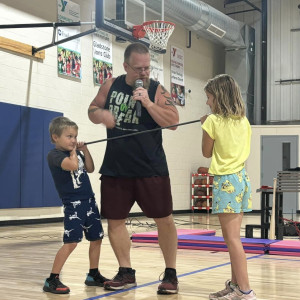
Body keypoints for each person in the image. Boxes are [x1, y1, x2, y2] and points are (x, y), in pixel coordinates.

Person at [88, 42, 179, 295]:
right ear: (126, 66)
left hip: (151, 167)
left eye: (147, 67)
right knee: (115, 221)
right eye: (138, 68)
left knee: (164, 220)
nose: (143, 73)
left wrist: (149, 104)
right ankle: (126, 271)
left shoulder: (157, 89)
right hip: (116, 167)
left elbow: (173, 122)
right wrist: (101, 116)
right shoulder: (110, 85)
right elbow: (92, 108)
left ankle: (170, 273)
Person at [200, 74, 256, 300]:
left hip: (225, 182)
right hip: (241, 179)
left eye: (209, 97)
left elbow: (206, 152)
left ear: (218, 98)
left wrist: (205, 126)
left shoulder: (212, 121)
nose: (207, 102)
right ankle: (235, 285)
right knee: (234, 238)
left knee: (232, 239)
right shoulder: (244, 121)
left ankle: (245, 290)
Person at [43, 116, 108, 294]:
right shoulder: (54, 155)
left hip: (89, 201)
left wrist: (84, 150)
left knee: (96, 238)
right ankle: (52, 279)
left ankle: (93, 274)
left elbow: (90, 168)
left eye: (75, 136)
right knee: (71, 242)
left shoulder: (77, 152)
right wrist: (74, 151)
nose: (73, 140)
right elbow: (72, 166)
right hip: (74, 204)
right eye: (69, 136)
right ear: (55, 137)